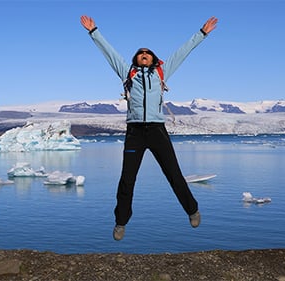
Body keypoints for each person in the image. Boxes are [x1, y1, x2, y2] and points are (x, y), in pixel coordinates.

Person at [80, 15, 218, 241]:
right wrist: (93, 31)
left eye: (148, 53)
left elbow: (182, 52)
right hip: (134, 131)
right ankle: (120, 222)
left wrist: (201, 34)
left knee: (173, 174)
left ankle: (192, 210)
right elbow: (109, 53)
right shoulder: (128, 73)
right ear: (136, 58)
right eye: (140, 53)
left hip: (156, 130)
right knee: (127, 178)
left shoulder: (161, 73)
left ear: (153, 59)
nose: (144, 54)